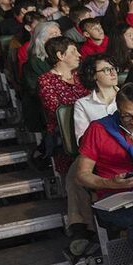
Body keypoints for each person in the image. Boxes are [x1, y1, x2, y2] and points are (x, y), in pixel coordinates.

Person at [70, 84, 133, 259]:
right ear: (118, 109)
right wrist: (108, 183)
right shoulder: (98, 129)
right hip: (114, 196)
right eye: (127, 116)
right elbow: (81, 175)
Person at [36, 36, 89, 177]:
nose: (79, 55)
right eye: (73, 51)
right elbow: (55, 109)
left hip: (88, 128)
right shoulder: (46, 80)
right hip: (66, 133)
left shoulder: (80, 77)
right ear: (60, 55)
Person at [73, 54, 119, 141]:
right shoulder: (83, 104)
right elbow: (82, 139)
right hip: (100, 151)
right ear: (93, 75)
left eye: (113, 68)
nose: (113, 73)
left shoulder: (128, 96)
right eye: (106, 70)